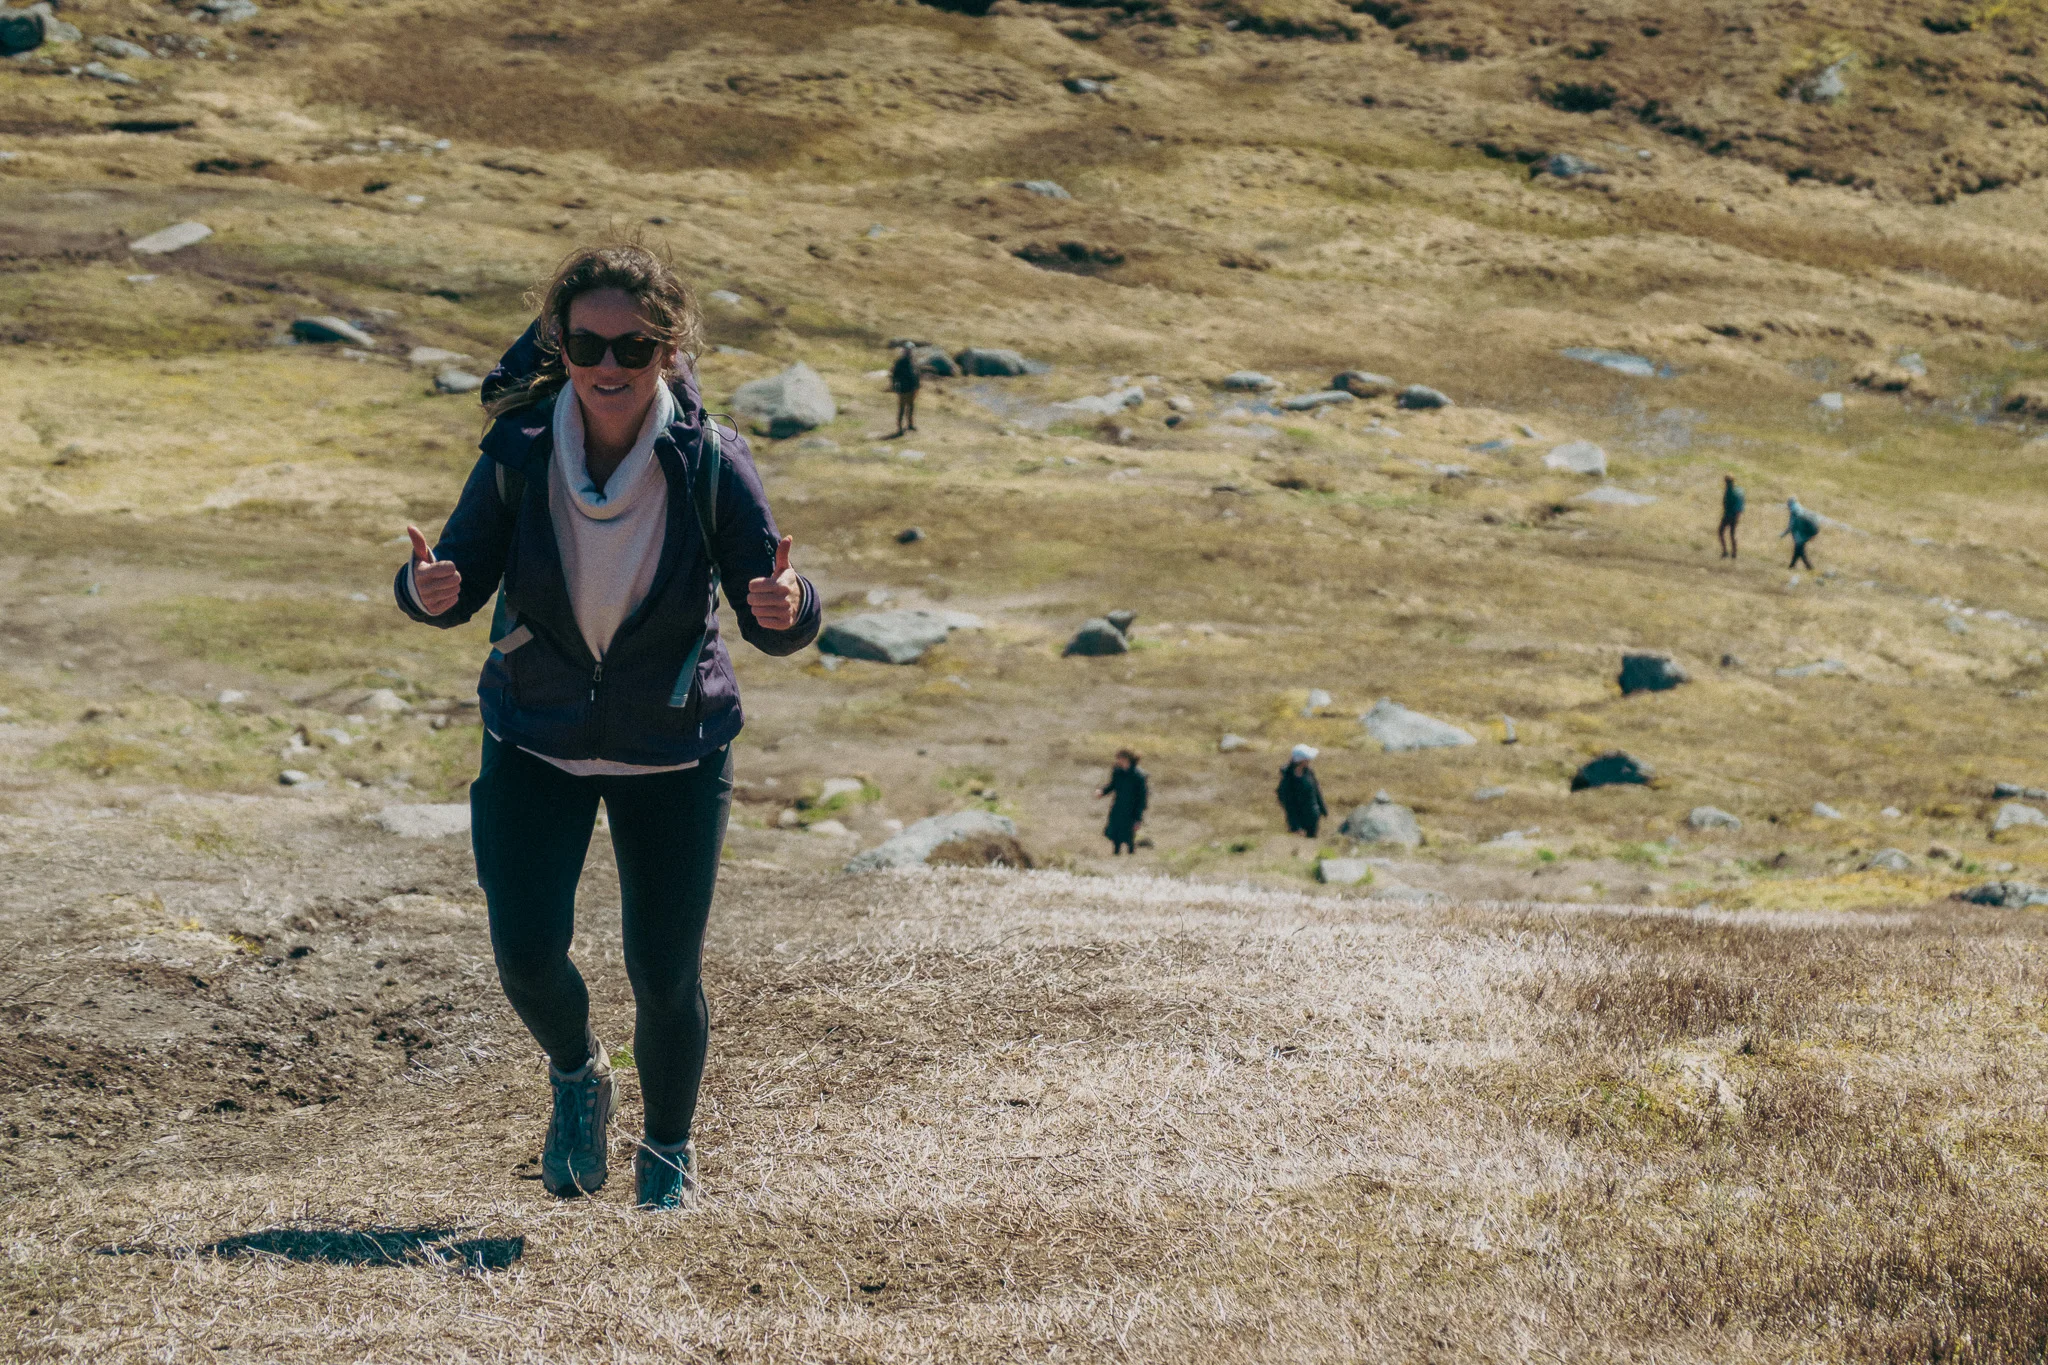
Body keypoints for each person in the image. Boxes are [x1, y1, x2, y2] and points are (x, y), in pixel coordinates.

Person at [395, 241, 821, 1212]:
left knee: (663, 975)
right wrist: (423, 592)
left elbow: (777, 616)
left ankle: (666, 1156)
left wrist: (787, 604)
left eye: (633, 347)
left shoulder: (708, 462)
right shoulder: (520, 452)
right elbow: (452, 583)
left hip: (671, 750)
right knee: (526, 956)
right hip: (533, 740)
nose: (609, 366)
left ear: (667, 350)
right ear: (560, 342)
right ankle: (578, 1075)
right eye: (588, 344)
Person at [1096, 749, 1148, 855]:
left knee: (1129, 835)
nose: (1117, 761)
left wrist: (1138, 817)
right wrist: (1102, 792)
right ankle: (1116, 853)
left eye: (1119, 758)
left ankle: (1131, 854)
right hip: (1118, 806)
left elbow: (1142, 797)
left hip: (1132, 809)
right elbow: (1113, 785)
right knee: (1115, 832)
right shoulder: (1118, 772)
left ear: (1126, 759)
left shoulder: (1139, 776)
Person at [1276, 745, 1327, 838]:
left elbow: (1316, 792)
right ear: (1301, 761)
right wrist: (1295, 826)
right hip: (1299, 820)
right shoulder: (1288, 780)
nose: (1309, 761)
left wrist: (1323, 809)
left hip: (1313, 817)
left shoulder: (1309, 773)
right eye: (1307, 759)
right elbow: (1288, 805)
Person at [890, 341, 920, 436]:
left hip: (912, 388)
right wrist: (894, 386)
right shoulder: (900, 362)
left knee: (911, 407)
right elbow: (894, 375)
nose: (909, 352)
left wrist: (917, 385)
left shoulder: (913, 361)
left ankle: (910, 424)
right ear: (904, 351)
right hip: (903, 388)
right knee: (902, 409)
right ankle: (899, 427)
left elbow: (916, 374)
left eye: (910, 350)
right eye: (908, 350)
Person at [1781, 496, 1820, 570]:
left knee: (1799, 550)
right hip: (1807, 534)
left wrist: (1783, 534)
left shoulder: (1795, 513)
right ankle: (1795, 566)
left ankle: (1805, 567)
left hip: (1801, 535)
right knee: (1799, 550)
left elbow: (1791, 526)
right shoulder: (1801, 510)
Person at [1718, 474, 1744, 559]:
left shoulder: (1729, 491)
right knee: (1732, 534)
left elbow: (1726, 503)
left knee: (1721, 532)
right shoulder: (1737, 491)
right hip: (1734, 516)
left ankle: (1725, 551)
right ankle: (1734, 553)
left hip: (1728, 515)